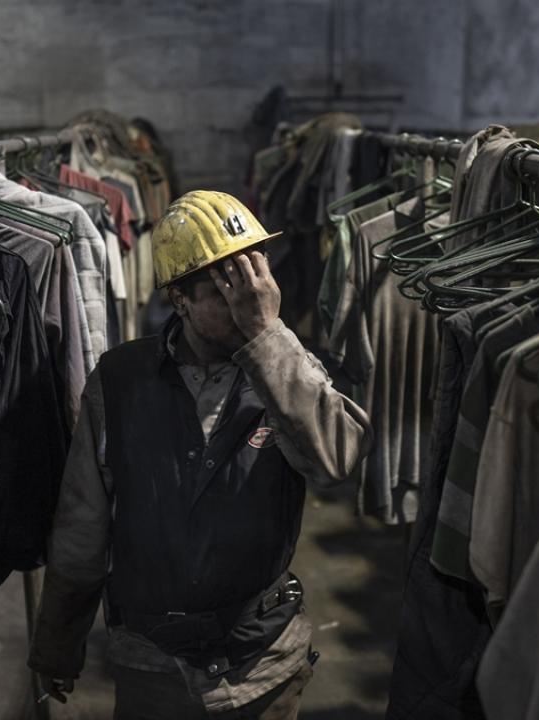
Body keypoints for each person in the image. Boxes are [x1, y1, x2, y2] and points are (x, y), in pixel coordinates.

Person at [29, 190, 372, 719]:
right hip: (153, 663)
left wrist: (266, 336)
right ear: (178, 299)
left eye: (252, 278)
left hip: (263, 663)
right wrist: (58, 642)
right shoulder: (119, 381)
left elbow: (337, 460)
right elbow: (82, 526)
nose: (246, 300)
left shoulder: (288, 369)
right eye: (223, 287)